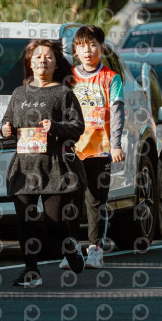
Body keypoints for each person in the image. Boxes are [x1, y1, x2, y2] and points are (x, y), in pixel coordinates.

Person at [1, 39, 86, 287]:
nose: (43, 61)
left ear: (56, 63)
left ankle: (70, 246)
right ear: (30, 62)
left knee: (53, 222)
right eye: (37, 57)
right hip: (24, 166)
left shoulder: (63, 93)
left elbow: (77, 127)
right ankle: (31, 272)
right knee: (25, 222)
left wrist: (55, 127)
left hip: (54, 166)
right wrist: (5, 129)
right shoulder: (19, 93)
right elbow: (7, 121)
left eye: (48, 57)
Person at [64, 25, 125, 269]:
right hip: (73, 150)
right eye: (82, 46)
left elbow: (118, 113)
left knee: (95, 201)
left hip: (100, 149)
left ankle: (95, 250)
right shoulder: (68, 78)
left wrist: (116, 144)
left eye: (92, 45)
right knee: (71, 200)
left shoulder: (111, 78)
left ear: (102, 47)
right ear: (75, 50)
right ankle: (71, 251)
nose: (87, 51)